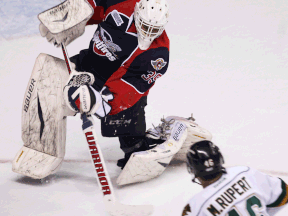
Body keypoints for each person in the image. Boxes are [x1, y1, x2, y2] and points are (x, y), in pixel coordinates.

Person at [182, 140, 288, 216]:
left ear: (193, 170)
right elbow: (284, 193)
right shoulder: (245, 172)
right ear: (220, 159)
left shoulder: (195, 207)